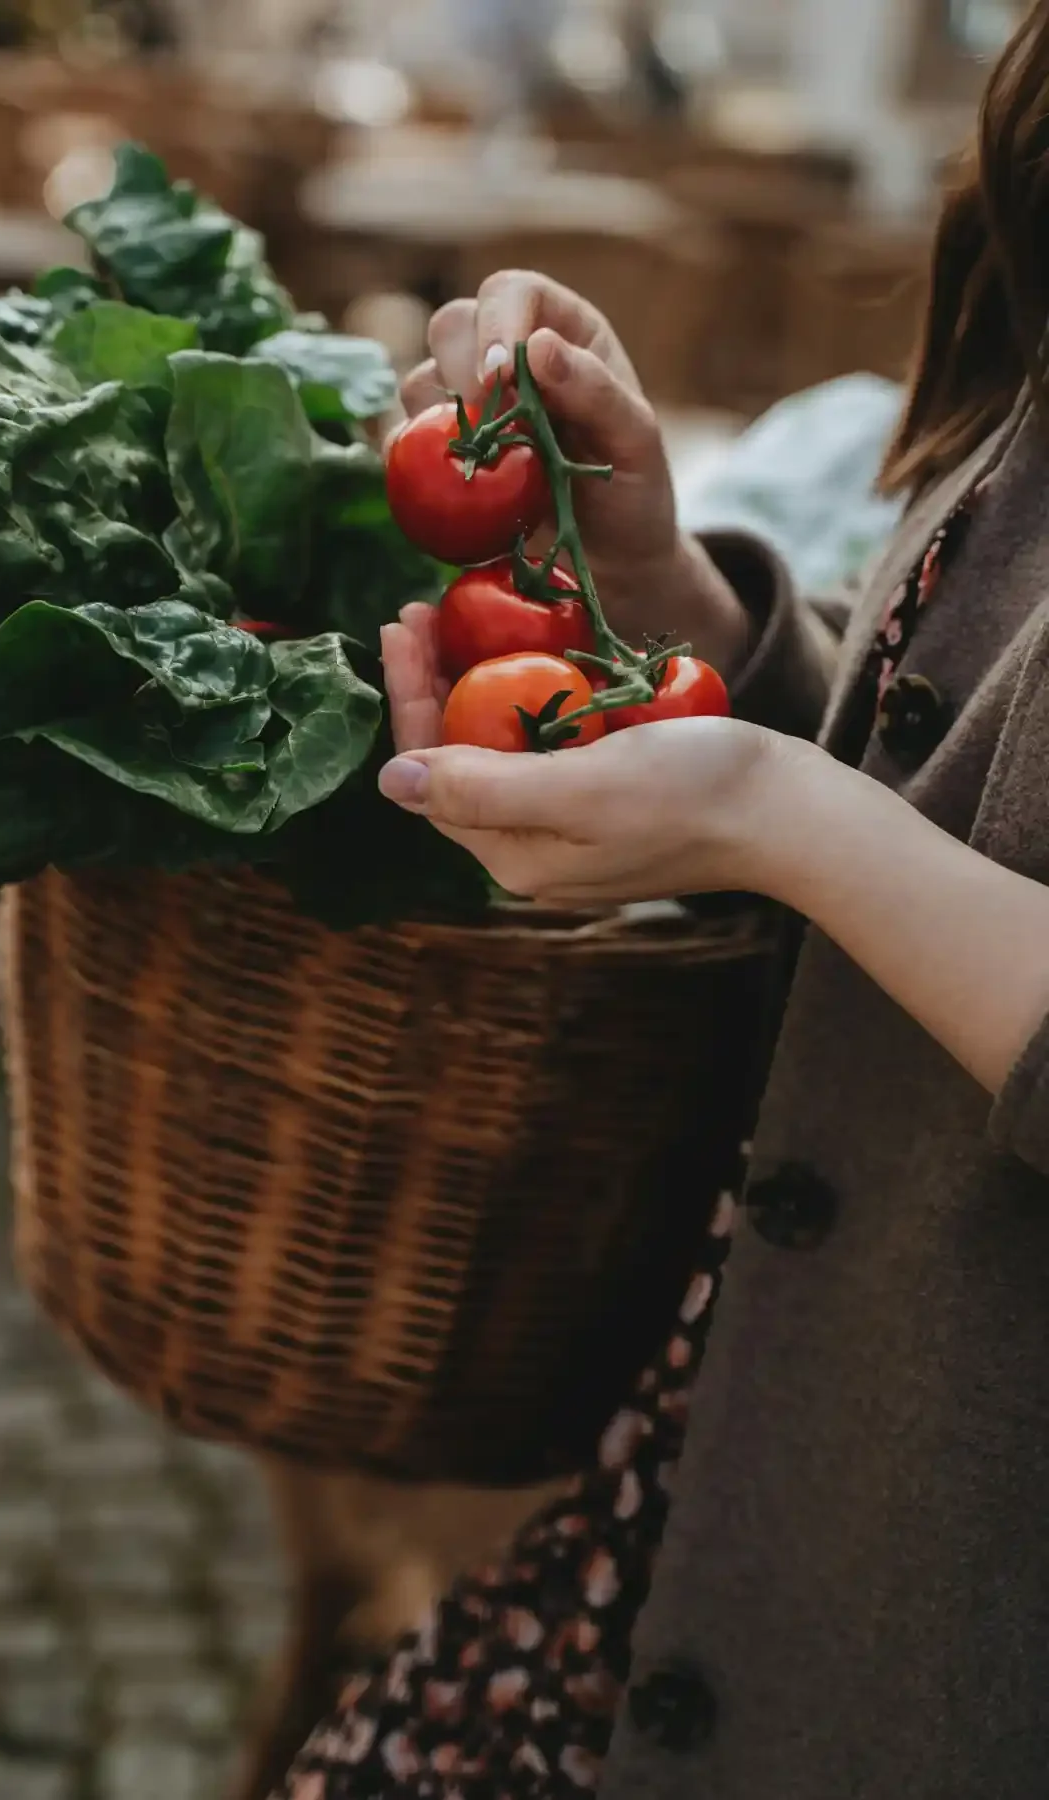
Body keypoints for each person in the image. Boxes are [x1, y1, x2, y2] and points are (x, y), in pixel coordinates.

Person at [352, 3, 1049, 1795]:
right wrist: (675, 604)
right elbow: (970, 794)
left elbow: (857, 839)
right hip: (777, 1494)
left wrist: (774, 815)